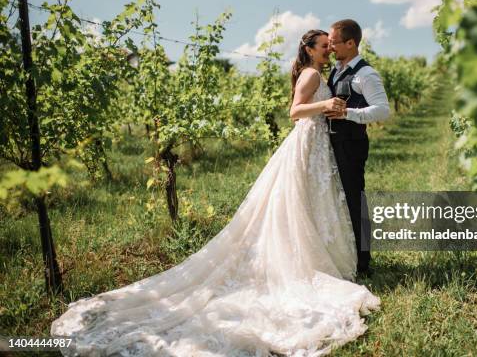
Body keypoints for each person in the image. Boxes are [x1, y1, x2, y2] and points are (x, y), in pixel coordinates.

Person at [50, 29, 380, 356]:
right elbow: (295, 112)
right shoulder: (310, 74)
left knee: (310, 203)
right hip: (307, 142)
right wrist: (325, 104)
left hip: (317, 146)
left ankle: (321, 254)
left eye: (329, 46)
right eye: (323, 46)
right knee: (302, 203)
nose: (327, 50)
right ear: (309, 50)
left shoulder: (322, 72)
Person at [324, 19, 391, 276]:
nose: (330, 47)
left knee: (354, 200)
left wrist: (348, 114)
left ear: (351, 43)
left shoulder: (366, 74)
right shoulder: (337, 69)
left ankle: (363, 263)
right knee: (339, 201)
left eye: (334, 42)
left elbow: (383, 111)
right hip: (334, 143)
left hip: (351, 145)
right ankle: (345, 254)